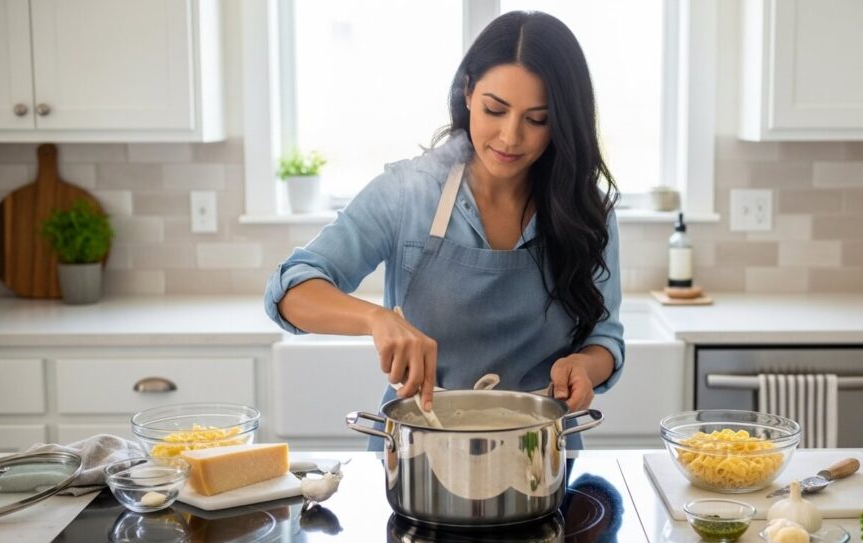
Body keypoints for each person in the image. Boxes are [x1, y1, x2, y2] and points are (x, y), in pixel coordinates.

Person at [264, 11, 624, 450]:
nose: (510, 137)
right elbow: (289, 291)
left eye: (537, 119)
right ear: (468, 91)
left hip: (541, 459)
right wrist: (375, 318)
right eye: (495, 109)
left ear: (562, 121)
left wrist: (586, 367)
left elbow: (604, 336)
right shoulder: (407, 192)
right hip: (419, 456)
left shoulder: (588, 210)